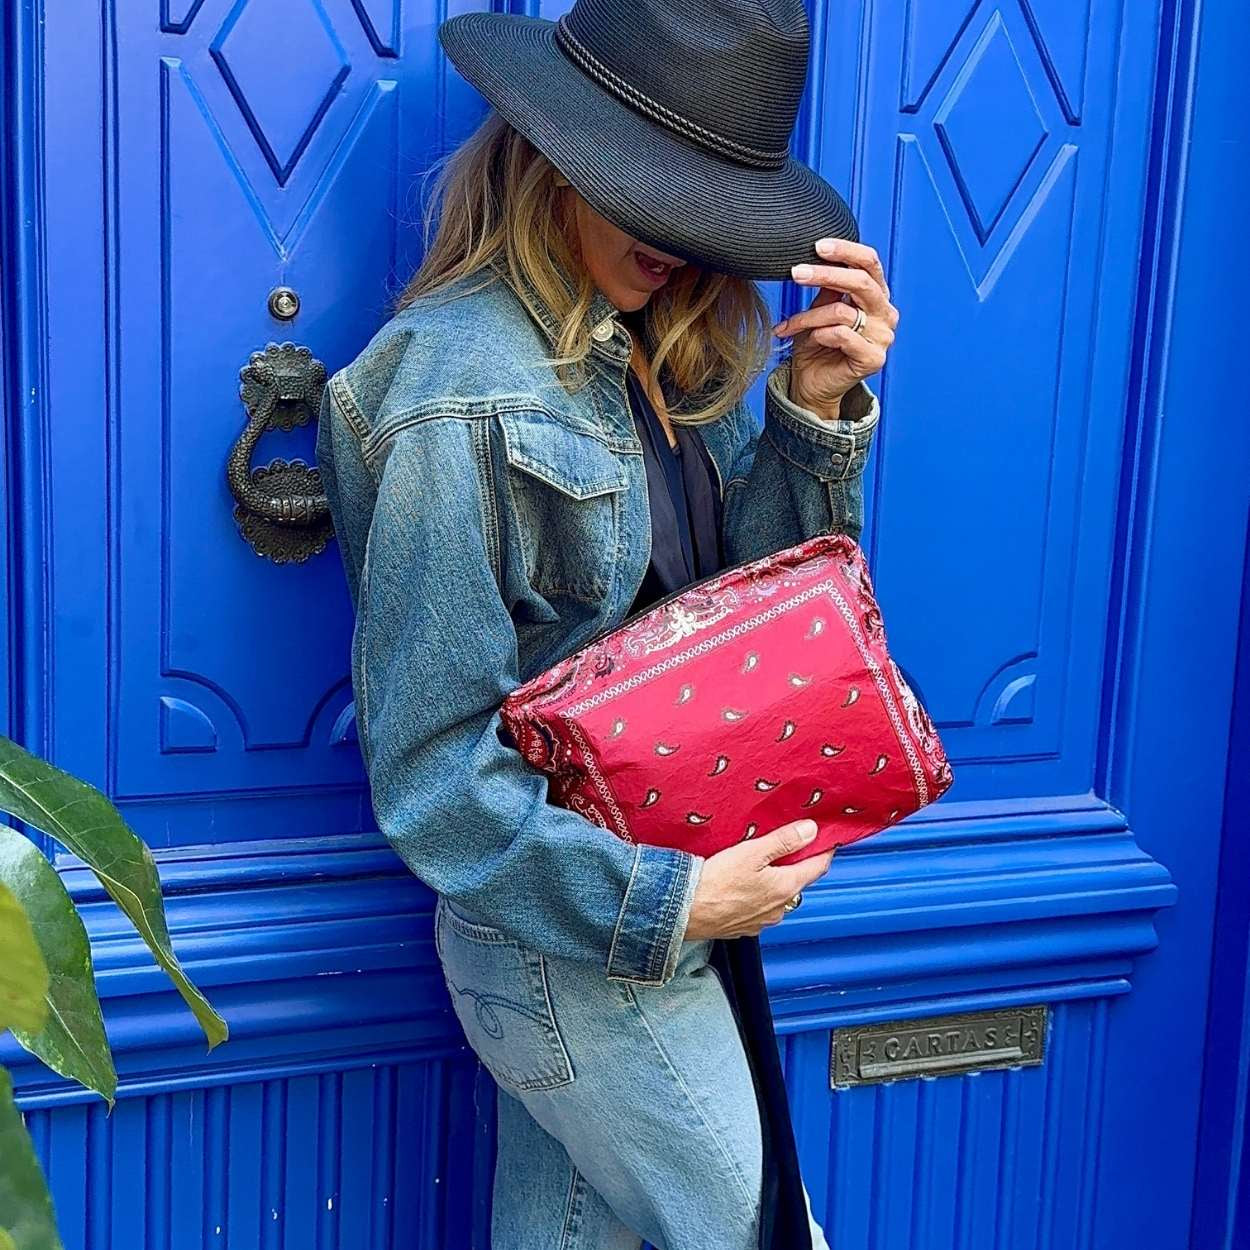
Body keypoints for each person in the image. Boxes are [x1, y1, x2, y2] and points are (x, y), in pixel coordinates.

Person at [315, 2, 898, 1247]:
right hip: (572, 939)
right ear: (557, 152)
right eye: (652, 190)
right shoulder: (452, 386)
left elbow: (758, 629)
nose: (678, 246)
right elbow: (430, 770)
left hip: (663, 911)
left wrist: (810, 407)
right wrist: (664, 904)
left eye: (702, 210)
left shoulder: (659, 353)